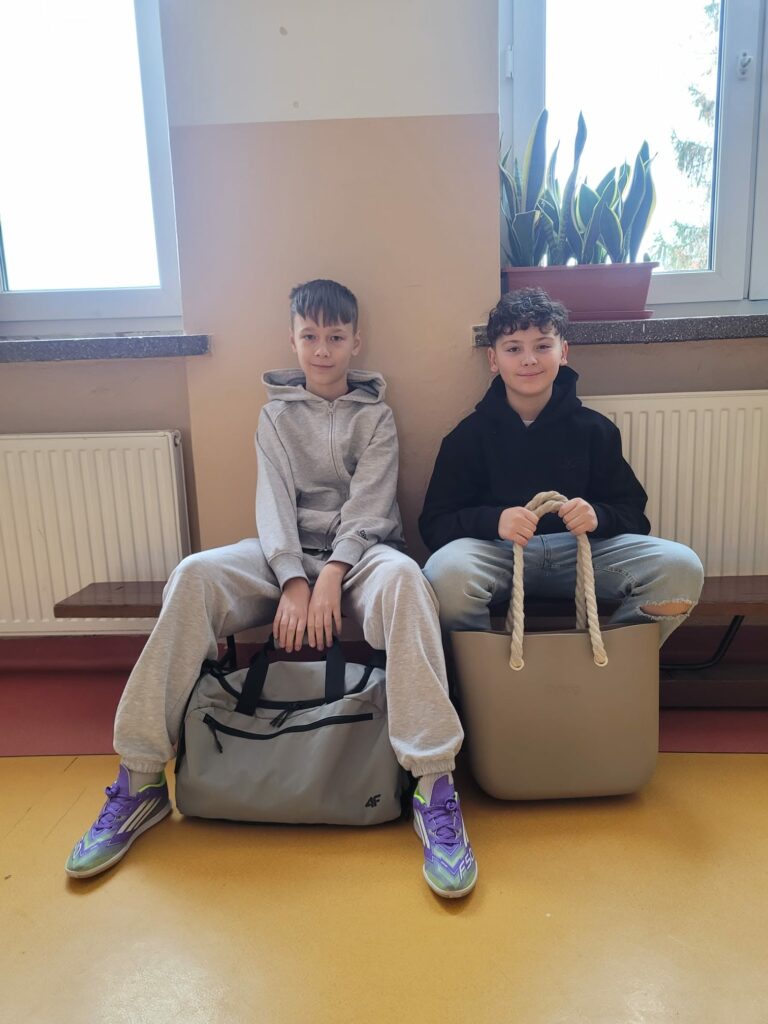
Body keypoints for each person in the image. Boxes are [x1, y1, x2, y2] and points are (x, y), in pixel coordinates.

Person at [66, 279, 477, 899]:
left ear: (356, 341)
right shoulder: (275, 416)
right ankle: (141, 777)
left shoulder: (377, 416)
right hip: (281, 554)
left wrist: (331, 575)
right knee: (194, 575)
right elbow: (273, 503)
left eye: (335, 336)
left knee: (408, 583)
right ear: (292, 340)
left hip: (361, 558)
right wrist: (291, 578)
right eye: (309, 336)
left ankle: (433, 783)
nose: (322, 349)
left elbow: (371, 507)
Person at [420, 287, 704, 645]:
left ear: (563, 352)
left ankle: (613, 668)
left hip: (583, 554)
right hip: (498, 554)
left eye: (542, 346)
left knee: (681, 567)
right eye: (513, 349)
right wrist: (495, 521)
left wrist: (597, 516)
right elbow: (434, 525)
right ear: (493, 359)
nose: (529, 360)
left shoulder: (596, 430)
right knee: (444, 574)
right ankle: (482, 674)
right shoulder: (466, 438)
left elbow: (634, 515)